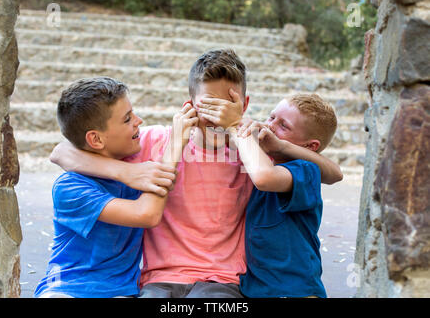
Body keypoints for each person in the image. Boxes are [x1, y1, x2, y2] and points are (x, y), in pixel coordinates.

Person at [50, 49, 342, 298]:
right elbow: (62, 151)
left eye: (227, 105)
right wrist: (126, 172)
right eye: (208, 106)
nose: (217, 116)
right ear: (189, 104)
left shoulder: (254, 154)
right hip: (159, 279)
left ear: (244, 105)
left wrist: (239, 128)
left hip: (221, 280)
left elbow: (328, 173)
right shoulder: (155, 142)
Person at [34, 77, 198, 298]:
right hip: (67, 288)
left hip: (119, 291)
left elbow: (61, 151)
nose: (139, 121)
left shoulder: (137, 160)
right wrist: (175, 144)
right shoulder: (70, 188)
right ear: (96, 139)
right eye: (127, 118)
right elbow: (147, 214)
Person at [227, 93, 339, 298]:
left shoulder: (305, 170)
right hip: (256, 288)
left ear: (310, 146)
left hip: (295, 288)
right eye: (271, 117)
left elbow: (265, 178)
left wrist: (236, 125)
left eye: (283, 126)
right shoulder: (260, 160)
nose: (270, 126)